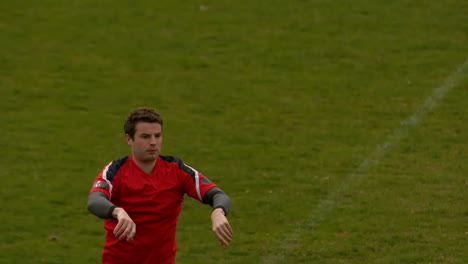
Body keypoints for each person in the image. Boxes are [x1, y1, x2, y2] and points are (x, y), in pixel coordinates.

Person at [87, 107, 233, 264]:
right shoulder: (115, 171)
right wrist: (118, 211)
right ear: (129, 139)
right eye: (145, 136)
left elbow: (218, 195)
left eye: (157, 136)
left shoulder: (176, 169)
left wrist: (218, 212)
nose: (153, 142)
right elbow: (94, 201)